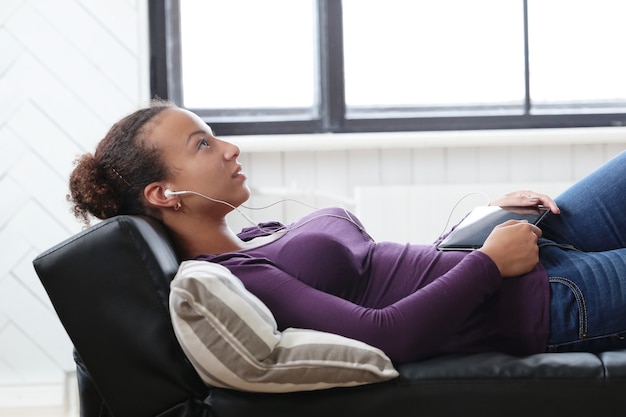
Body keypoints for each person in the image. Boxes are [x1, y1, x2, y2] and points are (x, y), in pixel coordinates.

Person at [68, 100, 626, 364]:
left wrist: (482, 222)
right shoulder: (234, 278)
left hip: (526, 244)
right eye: (202, 144)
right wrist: (487, 261)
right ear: (164, 194)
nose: (230, 148)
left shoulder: (254, 239)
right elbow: (385, 333)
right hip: (544, 297)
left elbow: (390, 273)